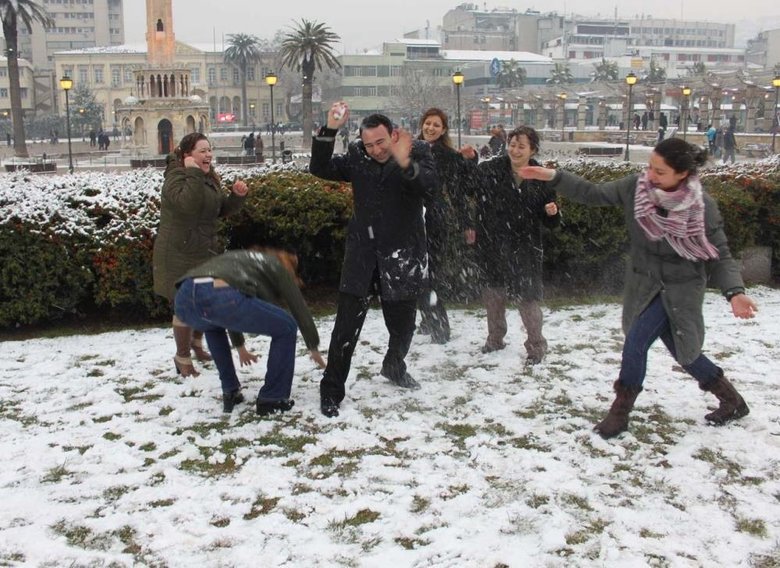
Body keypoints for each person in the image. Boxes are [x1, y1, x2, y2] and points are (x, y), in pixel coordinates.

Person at [521, 138, 756, 438]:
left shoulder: (701, 207)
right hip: (645, 285)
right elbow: (594, 194)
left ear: (682, 174)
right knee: (685, 352)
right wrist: (554, 177)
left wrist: (735, 292)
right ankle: (732, 400)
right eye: (650, 166)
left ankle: (619, 413)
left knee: (636, 342)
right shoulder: (637, 188)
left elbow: (720, 254)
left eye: (660, 171)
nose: (651, 175)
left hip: (681, 288)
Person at [309, 102, 438, 418]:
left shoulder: (417, 151)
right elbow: (319, 167)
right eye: (369, 145)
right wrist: (329, 130)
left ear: (393, 134)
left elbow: (430, 188)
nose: (376, 150)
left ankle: (394, 366)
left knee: (403, 325)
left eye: (381, 142)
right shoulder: (357, 157)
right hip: (363, 256)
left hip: (403, 255)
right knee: (345, 330)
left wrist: (405, 160)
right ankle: (331, 391)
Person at [174, 248, 325, 414]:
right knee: (287, 326)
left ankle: (230, 390)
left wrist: (240, 347)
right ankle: (273, 397)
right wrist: (313, 346)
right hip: (220, 294)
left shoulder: (239, 259)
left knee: (213, 327)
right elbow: (298, 306)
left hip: (184, 298)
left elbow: (223, 306)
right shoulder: (276, 265)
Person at [152, 132, 250, 378]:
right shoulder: (176, 176)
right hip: (179, 252)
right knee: (184, 306)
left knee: (204, 300)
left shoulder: (207, 177)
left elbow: (215, 210)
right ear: (187, 155)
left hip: (202, 250)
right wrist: (194, 173)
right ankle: (181, 357)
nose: (208, 155)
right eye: (202, 151)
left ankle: (196, 344)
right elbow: (188, 205)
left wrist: (236, 198)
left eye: (209, 150)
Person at [471, 125, 560, 364]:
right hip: (493, 242)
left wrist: (552, 213)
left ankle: (536, 346)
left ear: (532, 149)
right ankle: (495, 339)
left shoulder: (542, 175)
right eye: (512, 144)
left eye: (521, 146)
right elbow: (469, 186)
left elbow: (551, 220)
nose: (515, 150)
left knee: (528, 298)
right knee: (493, 295)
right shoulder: (490, 169)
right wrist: (468, 161)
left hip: (526, 246)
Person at [415, 107, 477, 343]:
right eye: (428, 123)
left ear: (443, 130)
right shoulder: (409, 149)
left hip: (434, 218)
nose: (430, 128)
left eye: (436, 125)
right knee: (415, 273)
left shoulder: (447, 156)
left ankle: (440, 326)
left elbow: (460, 191)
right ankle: (427, 319)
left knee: (432, 272)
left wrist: (467, 223)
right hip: (410, 219)